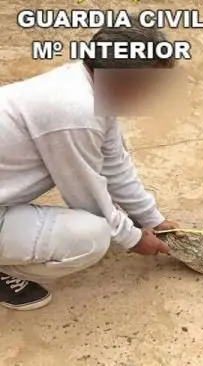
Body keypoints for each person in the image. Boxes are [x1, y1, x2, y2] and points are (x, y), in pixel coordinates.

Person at [0, 17, 179, 311]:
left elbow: (114, 162)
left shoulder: (86, 83)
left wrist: (152, 219)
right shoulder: (75, 110)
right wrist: (134, 239)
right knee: (92, 237)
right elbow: (87, 197)